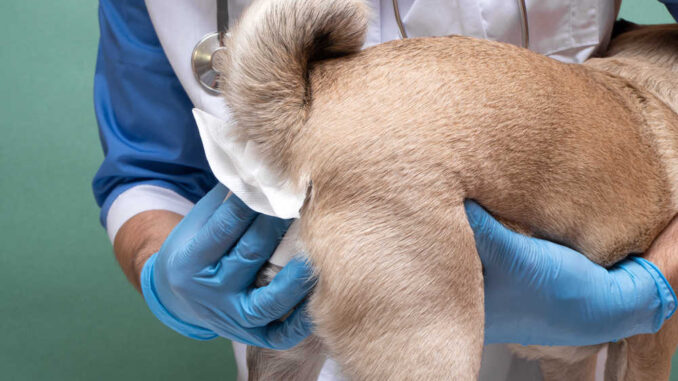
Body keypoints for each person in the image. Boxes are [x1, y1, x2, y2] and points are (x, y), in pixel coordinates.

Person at [92, 0, 678, 379]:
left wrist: (654, 284)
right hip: (305, 333)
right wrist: (167, 277)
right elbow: (148, 172)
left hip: (578, 325)